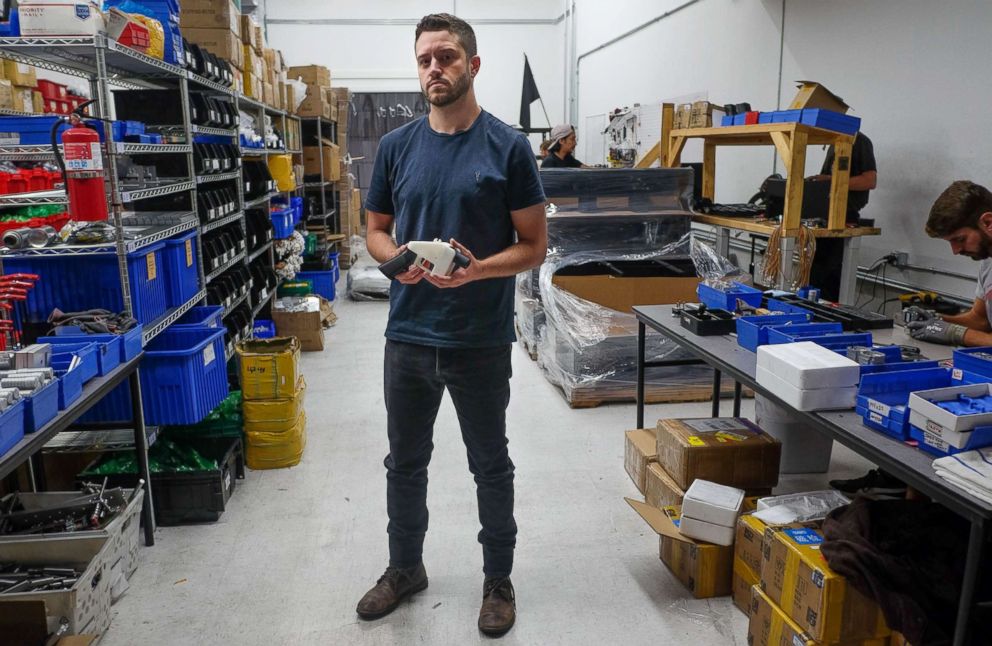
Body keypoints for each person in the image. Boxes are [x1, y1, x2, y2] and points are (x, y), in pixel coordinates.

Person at [357, 13, 547, 637]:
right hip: (408, 336)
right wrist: (395, 262)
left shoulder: (508, 147)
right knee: (404, 464)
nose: (434, 69)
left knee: (489, 464)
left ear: (472, 65)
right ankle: (405, 568)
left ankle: (498, 580)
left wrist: (476, 271)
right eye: (424, 60)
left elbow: (534, 245)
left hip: (479, 341)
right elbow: (376, 231)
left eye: (446, 56)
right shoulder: (396, 147)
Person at [905, 180, 992, 346]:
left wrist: (955, 333)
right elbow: (981, 320)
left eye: (960, 239)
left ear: (988, 222)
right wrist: (937, 321)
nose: (956, 250)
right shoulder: (988, 261)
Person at [806, 131, 878, 301]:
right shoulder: (833, 142)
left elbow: (870, 181)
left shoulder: (859, 142)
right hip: (824, 219)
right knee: (816, 277)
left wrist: (831, 181)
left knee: (831, 278)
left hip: (844, 219)